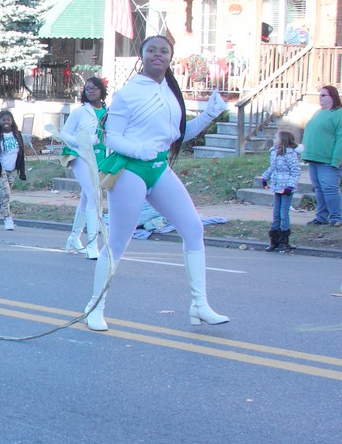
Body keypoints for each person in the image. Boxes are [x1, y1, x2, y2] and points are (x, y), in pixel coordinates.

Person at [85, 36, 229, 332]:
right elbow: (112, 137)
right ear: (142, 55)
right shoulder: (129, 93)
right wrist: (139, 150)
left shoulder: (171, 93)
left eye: (164, 51)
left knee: (193, 228)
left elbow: (178, 135)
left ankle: (199, 305)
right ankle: (95, 306)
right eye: (152, 50)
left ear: (170, 57)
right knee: (118, 242)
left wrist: (210, 113)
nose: (158, 55)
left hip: (159, 169)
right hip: (131, 171)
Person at [59, 77, 108, 259]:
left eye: (95, 88)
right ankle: (93, 244)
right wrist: (81, 143)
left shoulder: (107, 111)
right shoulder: (79, 112)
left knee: (87, 198)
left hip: (101, 158)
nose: (91, 91)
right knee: (94, 196)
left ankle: (73, 238)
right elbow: (64, 133)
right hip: (80, 156)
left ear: (101, 90)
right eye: (87, 88)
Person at [300, 85, 342, 226]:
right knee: (319, 189)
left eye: (323, 95)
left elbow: (340, 138)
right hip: (314, 158)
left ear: (332, 97)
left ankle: (337, 217)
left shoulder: (339, 114)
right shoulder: (318, 112)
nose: (320, 97)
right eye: (320, 95)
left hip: (328, 160)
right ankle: (321, 217)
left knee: (329, 189)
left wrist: (336, 159)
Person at [261, 129, 301, 251]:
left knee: (284, 214)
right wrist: (265, 177)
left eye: (276, 138)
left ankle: (284, 240)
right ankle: (274, 240)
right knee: (276, 213)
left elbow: (296, 171)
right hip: (277, 186)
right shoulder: (274, 152)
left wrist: (290, 186)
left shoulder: (290, 154)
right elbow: (272, 167)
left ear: (282, 140)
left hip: (286, 188)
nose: (274, 140)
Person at [0, 109, 26, 230]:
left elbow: (21, 153)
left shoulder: (17, 134)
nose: (6, 122)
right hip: (0, 169)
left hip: (12, 169)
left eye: (8, 119)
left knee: (4, 195)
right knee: (6, 194)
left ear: (12, 121)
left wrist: (21, 171)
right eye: (3, 120)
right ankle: (8, 219)